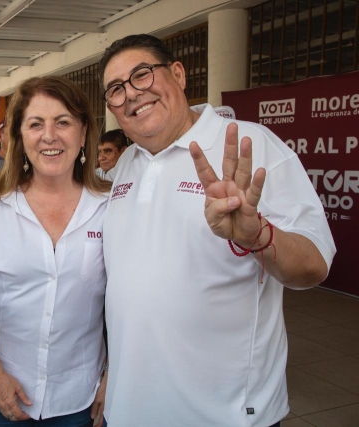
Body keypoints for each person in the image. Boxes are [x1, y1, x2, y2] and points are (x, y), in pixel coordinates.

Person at [99, 34, 336, 427]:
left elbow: (314, 266)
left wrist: (257, 236)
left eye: (142, 75)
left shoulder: (250, 144)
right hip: (128, 410)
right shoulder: (126, 164)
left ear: (177, 73)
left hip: (222, 415)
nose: (131, 95)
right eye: (116, 90)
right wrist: (113, 375)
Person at [0, 76, 112, 427]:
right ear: (19, 137)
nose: (49, 135)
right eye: (35, 124)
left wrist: (115, 373)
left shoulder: (112, 206)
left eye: (63, 122)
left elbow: (126, 302)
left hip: (80, 392)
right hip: (4, 386)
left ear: (82, 134)